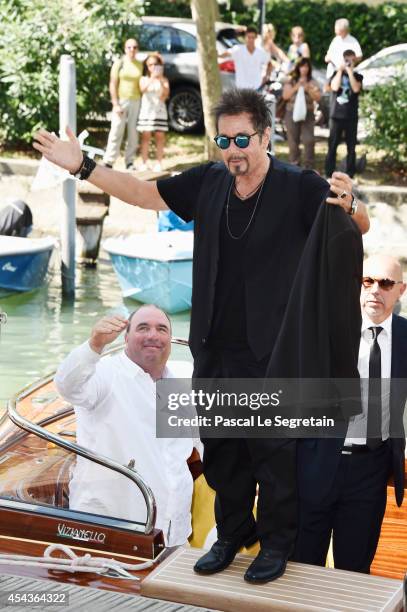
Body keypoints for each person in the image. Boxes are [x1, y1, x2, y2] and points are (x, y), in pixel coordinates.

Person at [33, 88, 369, 583]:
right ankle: (234, 534)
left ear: (265, 136)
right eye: (223, 139)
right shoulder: (209, 181)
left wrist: (355, 203)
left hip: (272, 354)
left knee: (273, 454)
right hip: (214, 344)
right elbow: (145, 192)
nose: (232, 149)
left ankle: (276, 545)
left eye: (241, 139)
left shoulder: (298, 185)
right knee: (223, 451)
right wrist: (83, 166)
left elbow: (353, 222)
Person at [294, 254, 406, 573]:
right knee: (302, 567)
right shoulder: (326, 329)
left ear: (401, 290)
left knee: (355, 570)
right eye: (367, 281)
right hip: (317, 463)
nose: (374, 290)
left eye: (385, 283)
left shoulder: (405, 336)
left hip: (371, 471)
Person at [54, 305, 196, 547]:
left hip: (173, 532)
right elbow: (67, 386)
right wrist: (95, 345)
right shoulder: (104, 374)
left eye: (161, 329)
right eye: (143, 328)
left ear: (169, 339)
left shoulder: (182, 383)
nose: (153, 335)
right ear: (126, 337)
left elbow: (213, 440)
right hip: (109, 528)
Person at [102, 38, 143, 171]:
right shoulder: (119, 63)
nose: (132, 49)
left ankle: (129, 161)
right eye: (129, 47)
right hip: (121, 101)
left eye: (135, 47)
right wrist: (115, 103)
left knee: (133, 133)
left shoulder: (140, 64)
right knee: (116, 130)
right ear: (125, 49)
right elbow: (113, 84)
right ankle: (109, 161)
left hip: (136, 101)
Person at [325, 49, 363, 178]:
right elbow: (334, 87)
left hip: (351, 116)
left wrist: (350, 71)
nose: (348, 62)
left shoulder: (358, 76)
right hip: (336, 115)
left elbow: (356, 88)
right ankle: (329, 172)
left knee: (351, 146)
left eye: (350, 59)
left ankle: (350, 172)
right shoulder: (336, 73)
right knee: (332, 145)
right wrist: (341, 70)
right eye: (346, 59)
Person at [282, 57, 321, 169]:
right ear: (298, 68)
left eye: (306, 66)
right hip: (291, 113)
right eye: (302, 66)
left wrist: (308, 88)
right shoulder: (291, 80)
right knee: (293, 142)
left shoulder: (312, 81)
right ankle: (294, 166)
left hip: (308, 113)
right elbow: (285, 96)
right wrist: (297, 86)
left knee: (309, 140)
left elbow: (318, 97)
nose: (304, 69)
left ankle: (309, 167)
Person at [137, 53, 170, 173]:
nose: (153, 67)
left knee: (160, 137)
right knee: (145, 137)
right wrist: (152, 78)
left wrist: (160, 80)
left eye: (156, 64)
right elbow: (142, 89)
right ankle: (144, 162)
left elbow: (165, 95)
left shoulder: (164, 79)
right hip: (146, 112)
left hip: (159, 112)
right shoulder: (143, 79)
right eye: (150, 64)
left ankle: (159, 163)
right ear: (147, 66)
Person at [220, 26, 271, 90]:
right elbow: (226, 53)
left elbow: (269, 63)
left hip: (256, 87)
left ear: (256, 38)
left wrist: (266, 77)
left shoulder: (261, 52)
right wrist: (218, 55)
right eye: (249, 37)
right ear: (245, 37)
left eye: (253, 37)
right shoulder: (238, 49)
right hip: (241, 88)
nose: (251, 40)